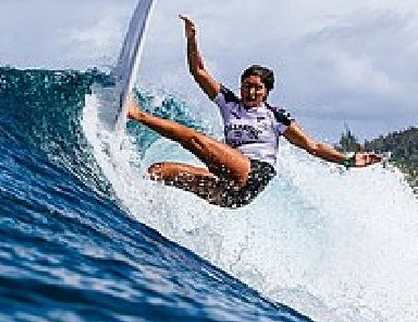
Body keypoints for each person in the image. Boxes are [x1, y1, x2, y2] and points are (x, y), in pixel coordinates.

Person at [127, 15, 382, 208]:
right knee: (159, 171)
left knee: (196, 140)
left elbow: (312, 147)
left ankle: (137, 115)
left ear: (267, 91)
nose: (251, 92)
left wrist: (348, 160)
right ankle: (136, 204)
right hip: (228, 191)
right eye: (246, 87)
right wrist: (192, 39)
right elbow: (199, 72)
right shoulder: (229, 103)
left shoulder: (276, 117)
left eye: (257, 88)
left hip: (252, 178)